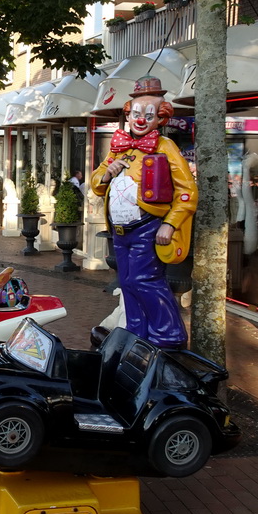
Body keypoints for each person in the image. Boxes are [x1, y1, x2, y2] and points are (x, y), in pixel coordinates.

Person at [89, 75, 197, 349]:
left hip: (147, 227)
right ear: (129, 114)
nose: (140, 120)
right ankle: (136, 333)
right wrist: (107, 174)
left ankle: (168, 335)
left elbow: (187, 192)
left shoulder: (166, 147)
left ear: (160, 118)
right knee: (127, 282)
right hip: (120, 231)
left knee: (144, 279)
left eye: (148, 115)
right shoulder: (118, 148)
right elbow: (96, 184)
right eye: (136, 114)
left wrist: (169, 224)